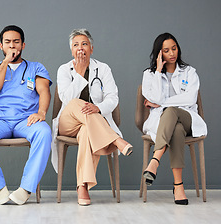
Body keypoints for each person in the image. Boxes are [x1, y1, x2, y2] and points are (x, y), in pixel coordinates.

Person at [51, 29, 133, 206]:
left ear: (92, 48)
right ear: (71, 51)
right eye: (76, 45)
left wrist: (99, 107)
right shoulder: (65, 69)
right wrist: (79, 74)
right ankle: (116, 140)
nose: (80, 48)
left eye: (84, 44)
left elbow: (113, 98)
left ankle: (82, 187)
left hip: (92, 124)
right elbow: (65, 99)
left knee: (88, 131)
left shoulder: (103, 69)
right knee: (75, 103)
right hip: (68, 123)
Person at [0, 25, 52, 205]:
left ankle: (25, 189)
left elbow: (44, 90)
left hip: (26, 120)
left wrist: (41, 112)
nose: (12, 46)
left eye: (16, 42)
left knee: (44, 132)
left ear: (23, 45)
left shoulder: (35, 67)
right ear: (1, 46)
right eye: (7, 42)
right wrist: (5, 63)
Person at [142, 32, 207, 205]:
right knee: (175, 129)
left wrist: (162, 104)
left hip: (188, 120)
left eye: (174, 48)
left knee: (171, 111)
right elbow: (153, 96)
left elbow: (190, 99)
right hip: (165, 125)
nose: (172, 53)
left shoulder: (189, 72)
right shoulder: (149, 75)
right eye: (166, 50)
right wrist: (157, 71)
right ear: (159, 53)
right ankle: (178, 185)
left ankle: (155, 161)